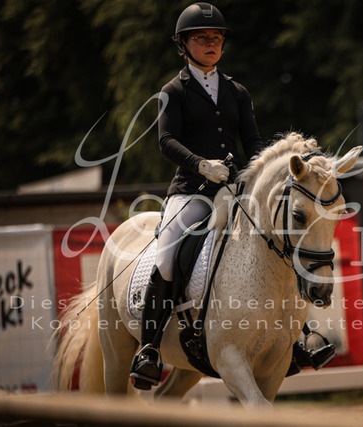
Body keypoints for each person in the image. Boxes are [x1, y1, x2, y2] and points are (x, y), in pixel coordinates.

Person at [129, 2, 265, 389]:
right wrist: (201, 165)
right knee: (168, 256)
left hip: (234, 189)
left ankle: (297, 337)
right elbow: (166, 140)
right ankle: (149, 348)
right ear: (184, 45)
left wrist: (259, 170)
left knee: (274, 240)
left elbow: (253, 140)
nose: (211, 44)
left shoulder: (237, 91)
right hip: (191, 191)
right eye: (202, 38)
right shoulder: (174, 91)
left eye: (217, 38)